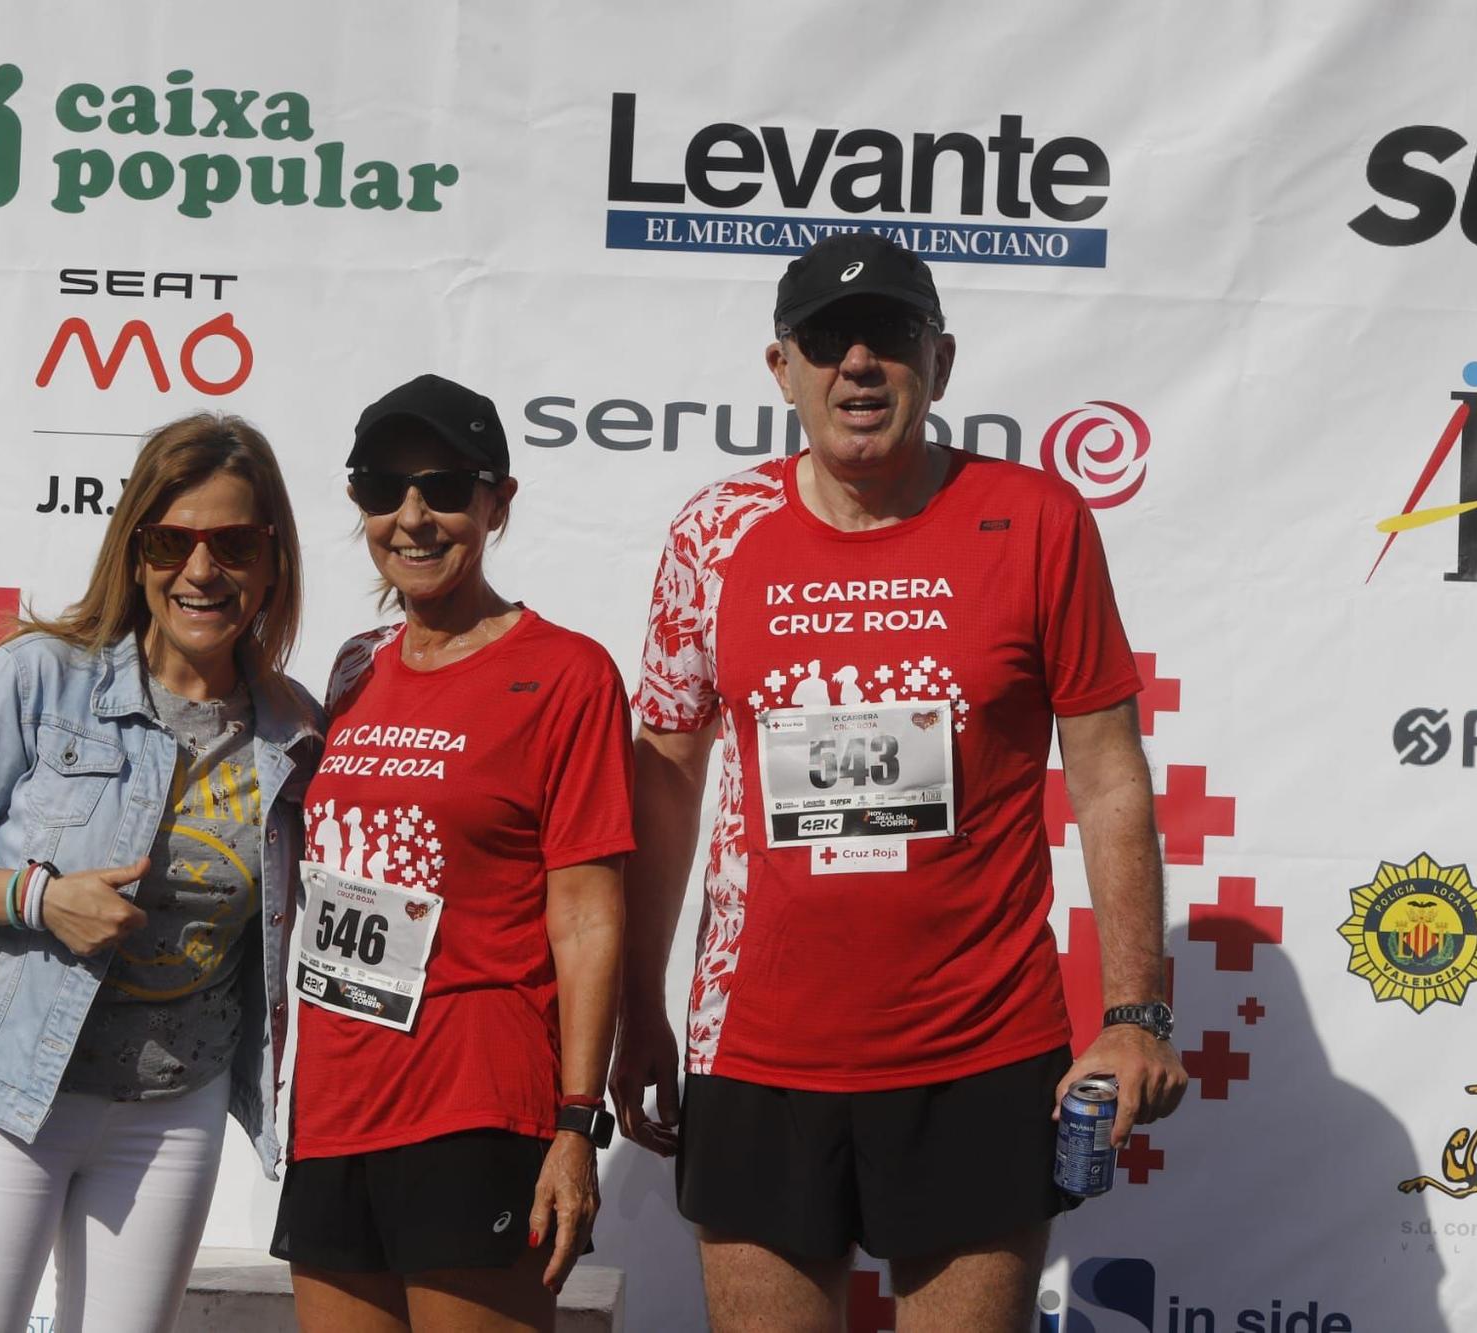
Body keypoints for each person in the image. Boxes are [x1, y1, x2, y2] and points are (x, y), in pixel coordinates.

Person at [609, 234, 1189, 1332]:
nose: (859, 365)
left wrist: (1131, 1013)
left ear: (942, 360)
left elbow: (1107, 777)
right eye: (827, 340)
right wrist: (638, 1004)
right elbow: (667, 778)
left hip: (977, 1047)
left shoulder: (1034, 520)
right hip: (754, 1051)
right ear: (780, 368)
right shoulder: (712, 535)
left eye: (891, 338)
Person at [0, 414, 320, 1333]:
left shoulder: (297, 733)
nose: (202, 569)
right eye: (171, 540)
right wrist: (40, 898)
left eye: (233, 543)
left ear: (273, 560)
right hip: (1, 1089)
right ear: (135, 550)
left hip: (172, 1105)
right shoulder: (41, 679)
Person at [271, 374, 634, 1332]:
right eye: (383, 488)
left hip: (475, 1105)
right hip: (336, 1105)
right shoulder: (354, 668)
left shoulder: (567, 673)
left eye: (443, 486)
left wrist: (575, 1122)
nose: (414, 515)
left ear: (497, 503)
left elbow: (590, 915)